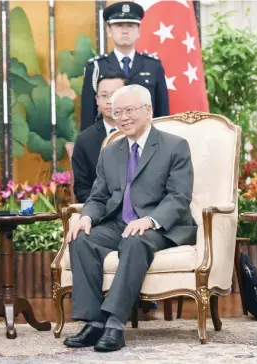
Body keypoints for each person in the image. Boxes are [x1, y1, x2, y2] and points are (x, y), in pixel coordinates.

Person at [64, 84, 196, 352]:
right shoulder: (111, 151)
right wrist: (87, 217)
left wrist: (149, 220)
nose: (122, 117)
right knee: (81, 239)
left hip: (158, 226)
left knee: (135, 242)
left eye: (129, 110)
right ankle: (94, 323)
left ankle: (114, 324)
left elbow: (179, 197)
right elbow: (98, 197)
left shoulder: (174, 146)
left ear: (148, 111)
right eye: (117, 111)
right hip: (118, 223)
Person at [80, 1, 169, 131]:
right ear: (109, 30)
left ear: (139, 31)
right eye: (119, 25)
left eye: (131, 25)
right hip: (107, 139)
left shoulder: (153, 66)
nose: (125, 31)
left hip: (146, 138)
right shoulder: (96, 67)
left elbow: (162, 112)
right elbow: (88, 113)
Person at [73, 73, 127, 203]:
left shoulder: (142, 133)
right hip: (102, 213)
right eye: (104, 95)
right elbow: (82, 188)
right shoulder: (84, 140)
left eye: (114, 95)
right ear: (97, 100)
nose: (109, 101)